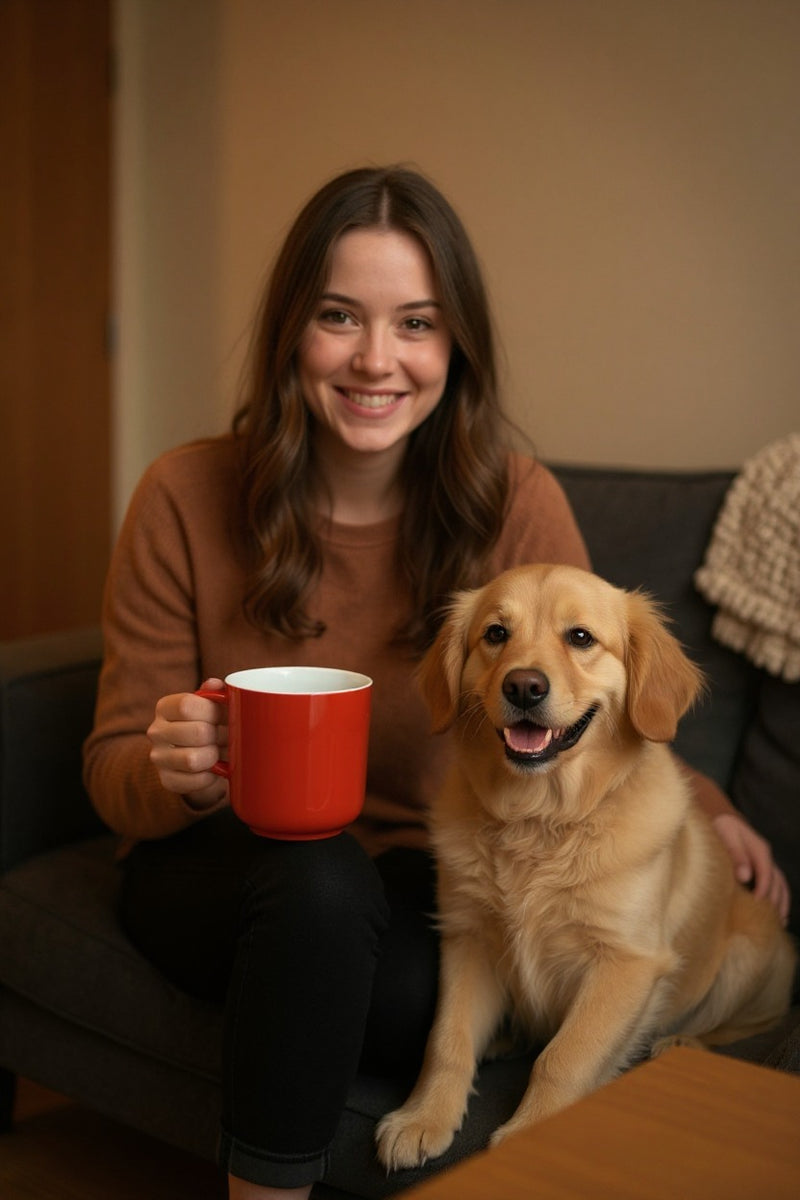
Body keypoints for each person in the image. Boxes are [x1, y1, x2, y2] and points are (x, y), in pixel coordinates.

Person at [83, 165, 790, 1200]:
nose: (377, 359)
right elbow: (110, 773)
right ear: (292, 332)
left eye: (415, 323)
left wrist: (707, 810)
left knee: (411, 974)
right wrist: (176, 769)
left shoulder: (512, 499)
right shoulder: (182, 494)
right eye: (338, 317)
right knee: (314, 882)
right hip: (218, 864)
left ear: (453, 346)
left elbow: (598, 680)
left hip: (409, 878)